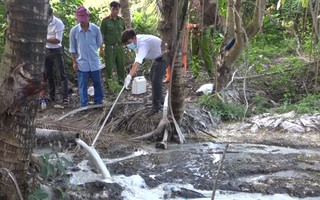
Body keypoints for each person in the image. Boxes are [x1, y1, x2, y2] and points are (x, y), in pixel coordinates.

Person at [121, 29, 168, 116]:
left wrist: (129, 76)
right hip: (157, 58)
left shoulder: (142, 43)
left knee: (156, 80)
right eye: (126, 44)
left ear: (134, 38)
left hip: (164, 56)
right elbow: (137, 58)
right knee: (152, 76)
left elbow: (139, 60)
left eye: (128, 42)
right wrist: (131, 73)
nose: (128, 45)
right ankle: (161, 99)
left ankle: (156, 106)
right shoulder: (136, 43)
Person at [69, 6, 104, 107]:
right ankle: (84, 105)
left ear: (88, 16)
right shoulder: (74, 31)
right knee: (82, 85)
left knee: (97, 83)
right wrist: (74, 62)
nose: (82, 22)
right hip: (81, 62)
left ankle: (98, 102)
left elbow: (99, 42)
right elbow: (72, 48)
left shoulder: (95, 29)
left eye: (84, 19)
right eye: (80, 20)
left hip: (94, 61)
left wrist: (93, 50)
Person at [43, 6, 69, 105]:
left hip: (56, 51)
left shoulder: (58, 23)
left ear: (51, 15)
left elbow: (58, 40)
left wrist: (44, 39)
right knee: (48, 75)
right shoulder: (43, 21)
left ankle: (65, 97)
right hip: (46, 50)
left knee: (61, 75)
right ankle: (52, 96)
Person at [100, 1, 126, 87]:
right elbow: (102, 36)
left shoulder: (121, 21)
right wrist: (101, 49)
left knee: (121, 65)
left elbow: (125, 35)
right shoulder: (105, 21)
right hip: (109, 47)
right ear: (110, 9)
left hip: (119, 47)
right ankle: (110, 83)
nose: (115, 11)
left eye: (117, 9)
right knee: (109, 66)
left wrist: (128, 48)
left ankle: (121, 82)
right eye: (113, 9)